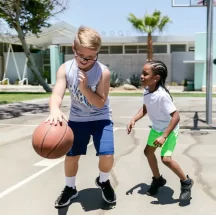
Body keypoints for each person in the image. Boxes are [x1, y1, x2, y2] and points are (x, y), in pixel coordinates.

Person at [46, 26, 116, 208]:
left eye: (91, 57)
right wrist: (54, 109)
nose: (85, 61)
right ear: (73, 49)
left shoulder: (103, 72)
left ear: (97, 53)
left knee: (107, 155)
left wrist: (84, 88)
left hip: (101, 118)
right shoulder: (65, 69)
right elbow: (57, 94)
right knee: (72, 157)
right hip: (77, 119)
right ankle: (70, 188)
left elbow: (100, 103)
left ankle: (103, 181)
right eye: (81, 56)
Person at [126, 60, 194, 200]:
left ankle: (186, 182)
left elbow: (176, 117)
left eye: (145, 74)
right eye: (142, 73)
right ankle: (158, 180)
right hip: (157, 128)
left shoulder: (162, 95)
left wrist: (164, 136)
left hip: (169, 130)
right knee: (148, 152)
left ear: (156, 78)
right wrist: (134, 119)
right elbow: (145, 108)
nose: (141, 76)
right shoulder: (147, 91)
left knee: (166, 159)